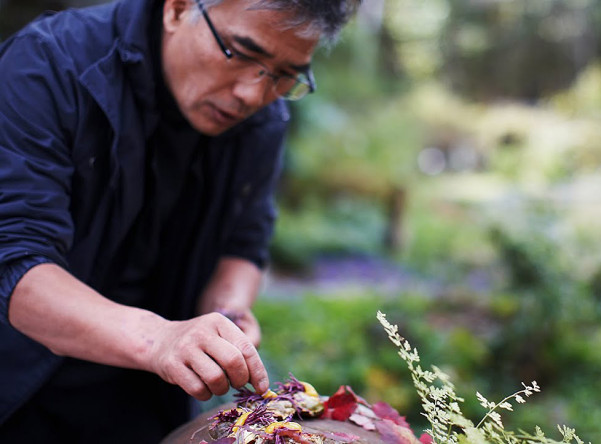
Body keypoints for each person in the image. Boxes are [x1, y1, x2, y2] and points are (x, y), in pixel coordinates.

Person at [0, 0, 359, 441]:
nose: (253, 94)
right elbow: (14, 265)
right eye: (241, 53)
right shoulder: (48, 65)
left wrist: (227, 312)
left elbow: (245, 242)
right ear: (177, 8)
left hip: (149, 405)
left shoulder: (264, 116)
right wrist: (159, 341)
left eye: (285, 74)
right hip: (17, 393)